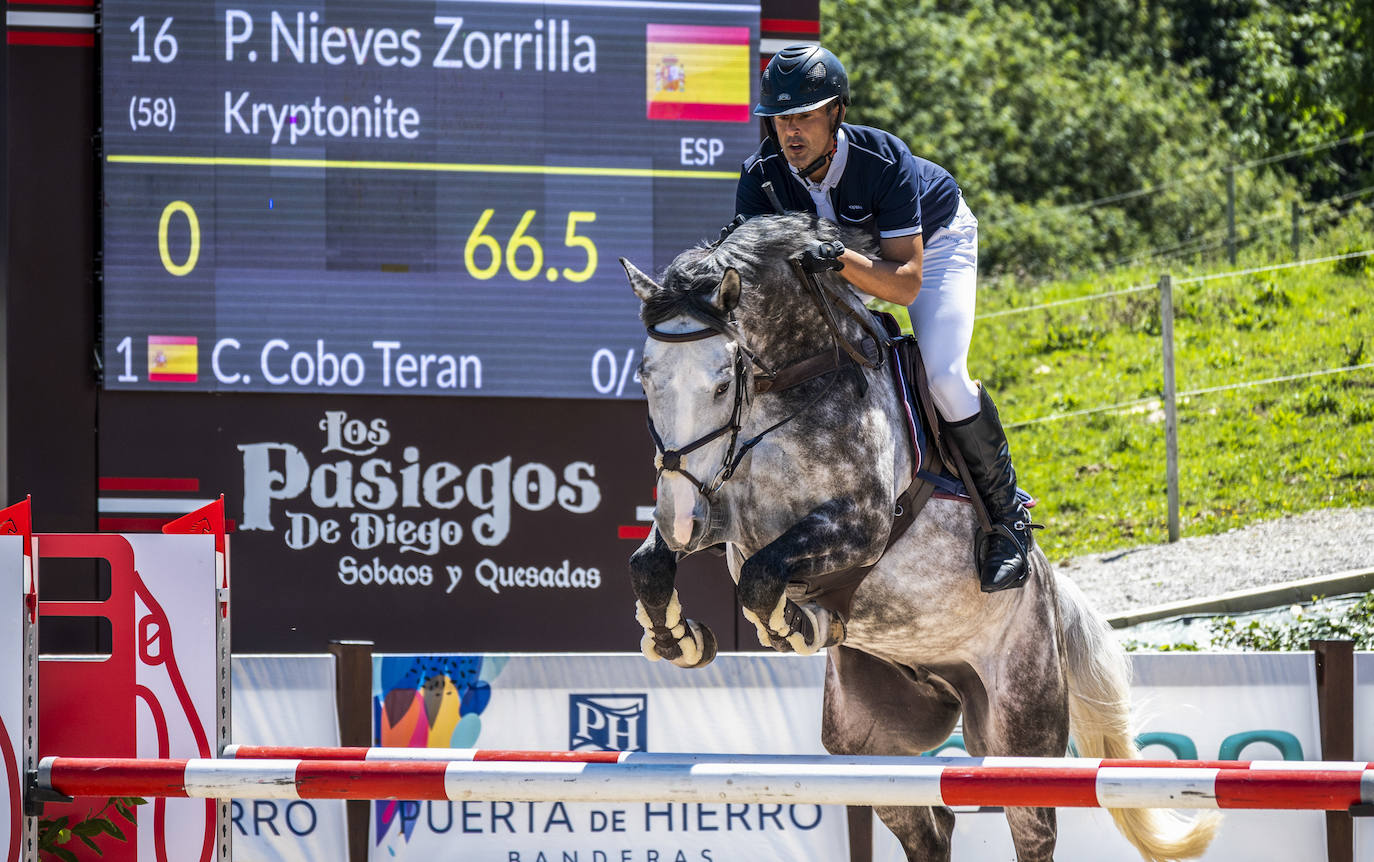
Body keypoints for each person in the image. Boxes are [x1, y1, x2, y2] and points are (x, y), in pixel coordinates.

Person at [734, 43, 1035, 592]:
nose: (790, 132)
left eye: (804, 116)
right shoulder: (763, 178)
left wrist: (839, 257)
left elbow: (903, 283)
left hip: (933, 248)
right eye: (781, 118)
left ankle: (1007, 521)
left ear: (836, 114)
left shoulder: (882, 159)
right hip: (840, 266)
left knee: (944, 375)